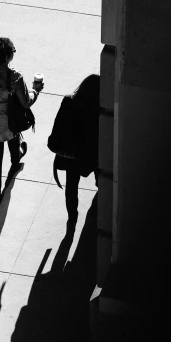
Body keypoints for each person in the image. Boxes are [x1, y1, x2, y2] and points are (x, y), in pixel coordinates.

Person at [0, 37, 43, 215]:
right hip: (9, 120)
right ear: (8, 57)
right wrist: (36, 90)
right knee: (13, 136)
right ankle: (15, 161)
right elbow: (26, 102)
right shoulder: (15, 77)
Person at [53, 74, 100, 227]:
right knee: (100, 176)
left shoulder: (69, 100)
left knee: (71, 186)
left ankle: (72, 217)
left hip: (72, 152)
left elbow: (58, 125)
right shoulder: (99, 108)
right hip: (91, 154)